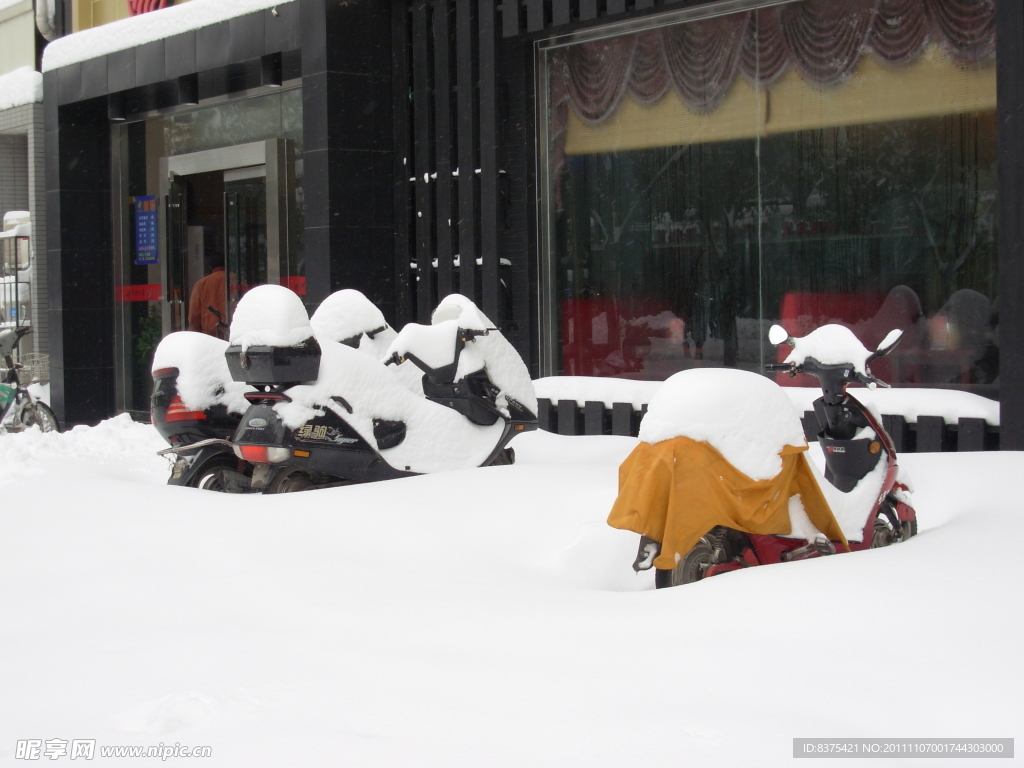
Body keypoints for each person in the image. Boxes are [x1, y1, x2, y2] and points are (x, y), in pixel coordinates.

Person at [188, 255, 227, 337]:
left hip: (210, 335)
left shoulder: (201, 284)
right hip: (232, 332)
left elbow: (194, 316)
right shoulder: (236, 280)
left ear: (210, 267)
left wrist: (196, 334)